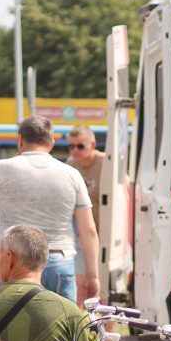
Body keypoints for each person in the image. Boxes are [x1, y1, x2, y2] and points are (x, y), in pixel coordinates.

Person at [0, 116, 99, 303]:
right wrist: (93, 275)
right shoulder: (71, 174)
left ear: (20, 140)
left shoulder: (1, 169)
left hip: (16, 263)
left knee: (17, 328)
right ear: (51, 142)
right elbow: (88, 229)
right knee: (62, 328)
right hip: (59, 260)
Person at [66, 125, 105, 305]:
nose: (75, 150)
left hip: (106, 236)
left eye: (80, 146)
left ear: (93, 144)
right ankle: (84, 327)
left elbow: (125, 194)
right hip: (83, 236)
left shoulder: (106, 163)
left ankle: (103, 332)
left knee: (104, 290)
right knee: (80, 284)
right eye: (71, 146)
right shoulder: (70, 165)